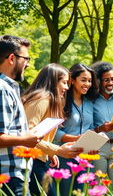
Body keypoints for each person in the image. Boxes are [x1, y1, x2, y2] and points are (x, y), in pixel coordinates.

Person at [22, 63, 83, 196]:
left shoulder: (49, 100)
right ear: (54, 81)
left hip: (38, 160)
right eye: (64, 82)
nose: (67, 87)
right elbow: (27, 135)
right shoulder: (42, 100)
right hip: (31, 161)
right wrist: (57, 150)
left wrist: (50, 153)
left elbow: (40, 134)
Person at [0, 35, 42, 196]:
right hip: (8, 177)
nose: (28, 64)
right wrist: (25, 140)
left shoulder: (9, 88)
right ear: (12, 58)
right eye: (26, 58)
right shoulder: (2, 89)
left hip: (15, 175)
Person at [54, 63, 99, 196]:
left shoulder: (90, 103)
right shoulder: (60, 101)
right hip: (64, 153)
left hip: (84, 156)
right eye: (83, 80)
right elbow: (54, 131)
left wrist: (92, 143)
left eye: (90, 81)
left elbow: (90, 128)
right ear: (72, 80)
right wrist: (75, 139)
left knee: (81, 191)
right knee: (65, 192)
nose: (88, 84)